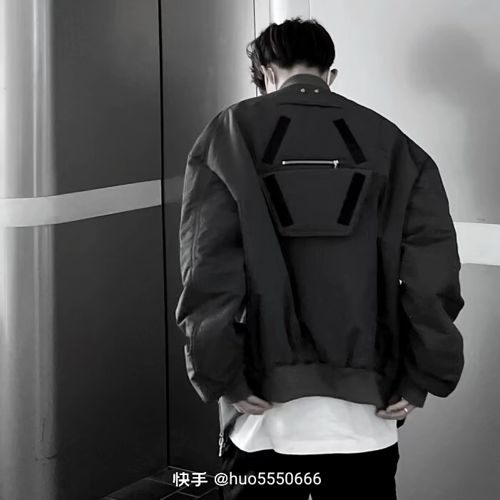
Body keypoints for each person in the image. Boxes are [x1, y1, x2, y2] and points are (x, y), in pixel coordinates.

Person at [175, 17, 465, 500]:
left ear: (266, 73)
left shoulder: (229, 135)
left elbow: (206, 266)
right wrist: (421, 377)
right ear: (330, 74)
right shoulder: (391, 142)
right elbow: (431, 276)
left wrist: (221, 375)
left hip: (263, 411)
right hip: (367, 414)